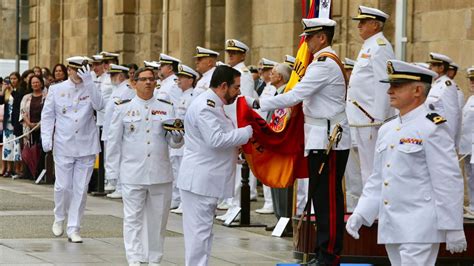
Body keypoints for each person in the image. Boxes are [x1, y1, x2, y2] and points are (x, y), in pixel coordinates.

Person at [247, 18, 350, 265]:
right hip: (320, 138)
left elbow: (296, 95)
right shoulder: (321, 62)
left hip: (328, 141)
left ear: (322, 38)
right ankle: (322, 251)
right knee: (320, 199)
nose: (306, 42)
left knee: (328, 201)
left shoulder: (324, 64)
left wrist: (258, 102)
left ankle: (330, 255)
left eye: (309, 37)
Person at [346, 59, 467, 264]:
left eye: (397, 86)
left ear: (417, 90)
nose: (389, 91)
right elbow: (379, 178)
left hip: (421, 225)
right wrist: (361, 213)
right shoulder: (387, 129)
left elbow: (447, 180)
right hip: (392, 224)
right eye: (390, 86)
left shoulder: (432, 127)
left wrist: (454, 226)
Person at [178, 65, 253, 266]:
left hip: (205, 180)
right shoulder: (206, 106)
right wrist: (247, 132)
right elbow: (216, 140)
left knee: (203, 235)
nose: (238, 93)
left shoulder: (213, 104)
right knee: (198, 237)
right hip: (200, 181)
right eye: (236, 87)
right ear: (223, 86)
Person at [107, 67, 182, 266]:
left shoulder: (166, 106)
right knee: (132, 219)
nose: (148, 82)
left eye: (151, 79)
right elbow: (113, 142)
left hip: (160, 172)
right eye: (144, 79)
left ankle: (155, 258)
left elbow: (174, 142)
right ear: (134, 83)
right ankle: (135, 258)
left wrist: (177, 137)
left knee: (158, 220)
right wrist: (112, 172)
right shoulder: (123, 107)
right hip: (132, 172)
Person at [41, 56, 104, 243]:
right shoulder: (56, 89)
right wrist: (46, 138)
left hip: (86, 145)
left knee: (80, 188)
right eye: (76, 69)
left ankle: (74, 227)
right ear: (69, 70)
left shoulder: (92, 86)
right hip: (63, 144)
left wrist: (90, 83)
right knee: (62, 186)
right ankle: (59, 216)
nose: (79, 73)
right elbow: (48, 115)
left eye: (83, 69)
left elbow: (100, 106)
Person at [345, 6, 395, 186]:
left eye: (363, 22)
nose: (359, 26)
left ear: (375, 25)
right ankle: (371, 209)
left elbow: (384, 83)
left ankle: (375, 211)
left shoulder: (380, 47)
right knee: (367, 168)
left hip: (371, 118)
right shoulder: (370, 45)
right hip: (362, 116)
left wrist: (379, 119)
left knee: (373, 168)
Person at [217, 39, 258, 221]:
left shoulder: (244, 74)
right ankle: (232, 205)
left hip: (238, 124)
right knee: (231, 168)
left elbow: (245, 102)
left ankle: (237, 206)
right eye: (229, 53)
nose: (230, 56)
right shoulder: (233, 72)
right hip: (230, 123)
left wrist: (242, 128)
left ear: (243, 55)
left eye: (234, 53)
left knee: (239, 170)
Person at [170, 64, 200, 215]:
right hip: (179, 139)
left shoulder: (193, 96)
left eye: (182, 77)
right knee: (177, 172)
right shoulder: (182, 96)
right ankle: (179, 200)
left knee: (185, 173)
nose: (178, 80)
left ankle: (184, 202)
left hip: (187, 140)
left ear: (190, 80)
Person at [103, 64, 136, 199]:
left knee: (121, 158)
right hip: (111, 129)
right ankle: (115, 184)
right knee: (112, 157)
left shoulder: (127, 90)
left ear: (121, 76)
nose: (111, 78)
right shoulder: (116, 89)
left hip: (119, 130)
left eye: (113, 75)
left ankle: (121, 187)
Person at [155, 53, 182, 209]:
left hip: (171, 128)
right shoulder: (164, 83)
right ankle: (173, 195)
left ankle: (176, 197)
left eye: (162, 65)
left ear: (170, 67)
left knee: (175, 165)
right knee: (171, 163)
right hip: (162, 127)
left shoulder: (172, 84)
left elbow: (177, 107)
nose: (160, 68)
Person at [426, 52, 461, 140]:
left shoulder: (447, 85)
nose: (429, 67)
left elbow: (452, 115)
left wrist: (450, 141)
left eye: (432, 65)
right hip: (431, 133)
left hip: (441, 136)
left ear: (441, 68)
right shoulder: (435, 84)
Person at [20, 75, 47, 179]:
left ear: (41, 83)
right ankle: (30, 172)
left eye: (37, 82)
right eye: (33, 83)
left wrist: (39, 124)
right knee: (29, 149)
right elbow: (22, 112)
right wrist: (29, 123)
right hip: (29, 127)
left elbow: (48, 112)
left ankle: (40, 172)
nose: (35, 84)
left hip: (43, 127)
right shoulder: (26, 97)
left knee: (41, 150)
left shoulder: (47, 96)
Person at [0, 72, 24, 178]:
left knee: (16, 145)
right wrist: (3, 90)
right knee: (7, 145)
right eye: (11, 79)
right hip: (7, 121)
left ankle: (17, 168)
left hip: (16, 121)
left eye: (14, 79)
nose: (12, 81)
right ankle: (9, 168)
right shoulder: (7, 91)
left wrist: (11, 91)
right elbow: (1, 101)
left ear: (18, 80)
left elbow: (18, 100)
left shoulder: (20, 90)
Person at [461, 66, 474, 219]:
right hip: (467, 145)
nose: (472, 83)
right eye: (471, 80)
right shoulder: (470, 99)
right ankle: (472, 205)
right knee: (470, 176)